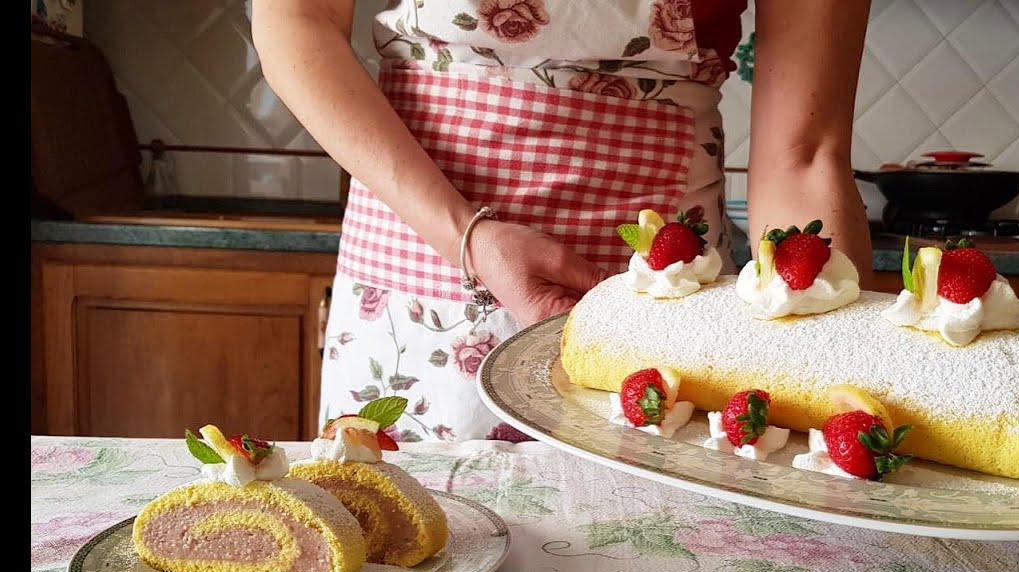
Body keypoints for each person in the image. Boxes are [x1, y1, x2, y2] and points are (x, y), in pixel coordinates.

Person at [253, 0, 873, 442]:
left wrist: (835, 382)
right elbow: (294, 19)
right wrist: (465, 235)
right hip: (420, 257)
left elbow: (805, 155)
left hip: (658, 294)